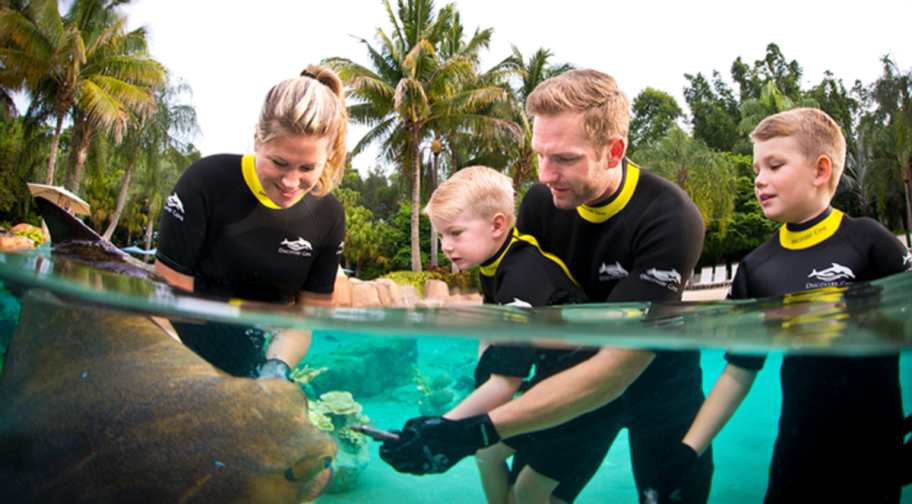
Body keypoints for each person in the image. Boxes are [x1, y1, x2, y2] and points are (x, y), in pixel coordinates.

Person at [381, 69, 712, 503]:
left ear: (614, 151)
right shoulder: (540, 202)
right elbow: (508, 308)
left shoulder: (671, 218)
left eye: (565, 159)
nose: (546, 174)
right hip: (569, 383)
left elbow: (617, 365)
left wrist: (476, 429)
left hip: (658, 389)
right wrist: (476, 406)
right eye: (540, 155)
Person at [649, 108, 911, 503]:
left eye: (774, 165)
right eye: (757, 169)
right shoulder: (757, 269)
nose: (759, 180)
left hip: (877, 450)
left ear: (820, 171)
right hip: (797, 452)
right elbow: (739, 372)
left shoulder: (869, 243)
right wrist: (686, 452)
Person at [154, 65, 347, 380]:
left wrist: (275, 367)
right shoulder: (205, 182)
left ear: (327, 156)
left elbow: (303, 323)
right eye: (279, 162)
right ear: (257, 138)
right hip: (180, 351)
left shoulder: (328, 217)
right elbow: (167, 302)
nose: (290, 181)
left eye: (308, 167)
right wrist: (183, 372)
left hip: (254, 361)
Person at [424, 165, 599, 503]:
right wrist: (483, 375)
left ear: (497, 225)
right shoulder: (494, 264)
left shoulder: (521, 275)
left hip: (584, 402)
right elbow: (493, 331)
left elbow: (506, 382)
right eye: (441, 236)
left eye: (455, 233)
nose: (446, 246)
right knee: (486, 454)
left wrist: (442, 429)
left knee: (528, 493)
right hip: (552, 390)